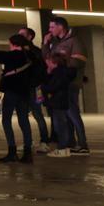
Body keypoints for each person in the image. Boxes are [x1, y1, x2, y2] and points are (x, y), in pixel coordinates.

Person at [43, 15, 89, 155]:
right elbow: (47, 59)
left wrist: (58, 62)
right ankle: (70, 143)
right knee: (65, 116)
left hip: (70, 83)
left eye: (52, 27)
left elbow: (79, 61)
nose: (50, 30)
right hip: (59, 83)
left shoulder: (75, 41)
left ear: (60, 27)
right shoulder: (56, 43)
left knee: (73, 114)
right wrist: (45, 44)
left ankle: (83, 144)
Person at [0, 34, 35, 162]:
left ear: (13, 44)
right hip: (25, 92)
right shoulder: (29, 56)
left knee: (6, 120)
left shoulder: (11, 56)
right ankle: (27, 152)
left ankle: (12, 151)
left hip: (11, 92)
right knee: (24, 120)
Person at [17, 27, 52, 150]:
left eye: (22, 34)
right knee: (22, 115)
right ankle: (28, 141)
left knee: (37, 114)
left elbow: (41, 70)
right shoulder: (19, 51)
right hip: (22, 87)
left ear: (30, 37)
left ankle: (44, 141)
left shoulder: (35, 52)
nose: (19, 36)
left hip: (33, 87)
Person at [43, 53, 77, 157]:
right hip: (61, 100)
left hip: (58, 101)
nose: (47, 63)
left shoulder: (58, 73)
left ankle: (62, 148)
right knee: (62, 124)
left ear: (54, 62)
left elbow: (54, 86)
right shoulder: (63, 72)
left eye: (49, 61)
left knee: (60, 126)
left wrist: (44, 87)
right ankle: (65, 147)